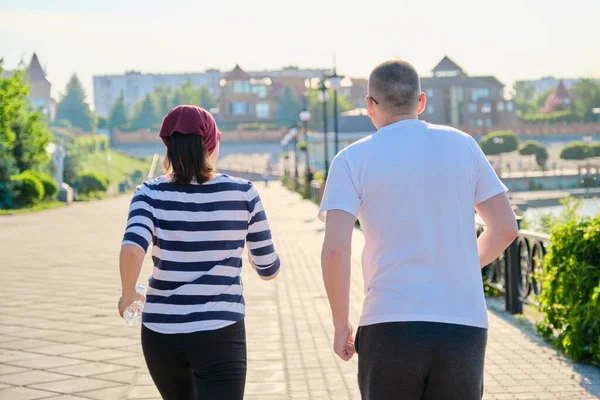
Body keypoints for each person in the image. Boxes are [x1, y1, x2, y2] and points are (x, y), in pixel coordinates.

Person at [319, 61, 518, 400]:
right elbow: (505, 228)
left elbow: (336, 249)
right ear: (421, 101)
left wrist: (341, 325)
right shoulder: (464, 145)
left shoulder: (352, 159)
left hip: (389, 321)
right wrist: (465, 266)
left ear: (369, 105)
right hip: (463, 322)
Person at [118, 105, 280, 400]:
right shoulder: (243, 193)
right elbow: (267, 267)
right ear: (212, 145)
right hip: (219, 329)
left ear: (167, 146)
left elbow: (132, 250)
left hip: (161, 331)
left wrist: (128, 295)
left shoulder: (148, 194)